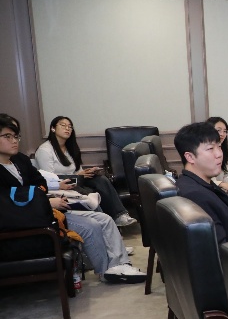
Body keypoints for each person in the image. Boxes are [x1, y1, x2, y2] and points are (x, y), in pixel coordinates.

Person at [0, 114, 145, 283]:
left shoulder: (20, 160)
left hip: (45, 211)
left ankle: (121, 263)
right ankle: (106, 270)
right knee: (91, 226)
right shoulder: (40, 153)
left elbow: (41, 183)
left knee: (104, 219)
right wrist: (43, 201)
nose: (14, 141)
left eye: (16, 136)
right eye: (7, 136)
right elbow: (7, 205)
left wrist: (38, 198)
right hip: (28, 222)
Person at [34, 115, 138, 227]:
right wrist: (78, 175)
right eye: (63, 125)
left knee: (101, 180)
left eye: (70, 126)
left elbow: (77, 170)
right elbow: (49, 178)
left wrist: (88, 172)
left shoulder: (70, 148)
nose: (67, 128)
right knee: (92, 191)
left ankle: (120, 216)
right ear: (53, 128)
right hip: (59, 184)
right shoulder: (45, 150)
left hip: (75, 180)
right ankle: (106, 222)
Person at [173, 122, 228, 244]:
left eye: (219, 147)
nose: (219, 154)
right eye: (210, 149)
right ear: (190, 157)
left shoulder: (201, 184)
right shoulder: (195, 195)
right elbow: (221, 249)